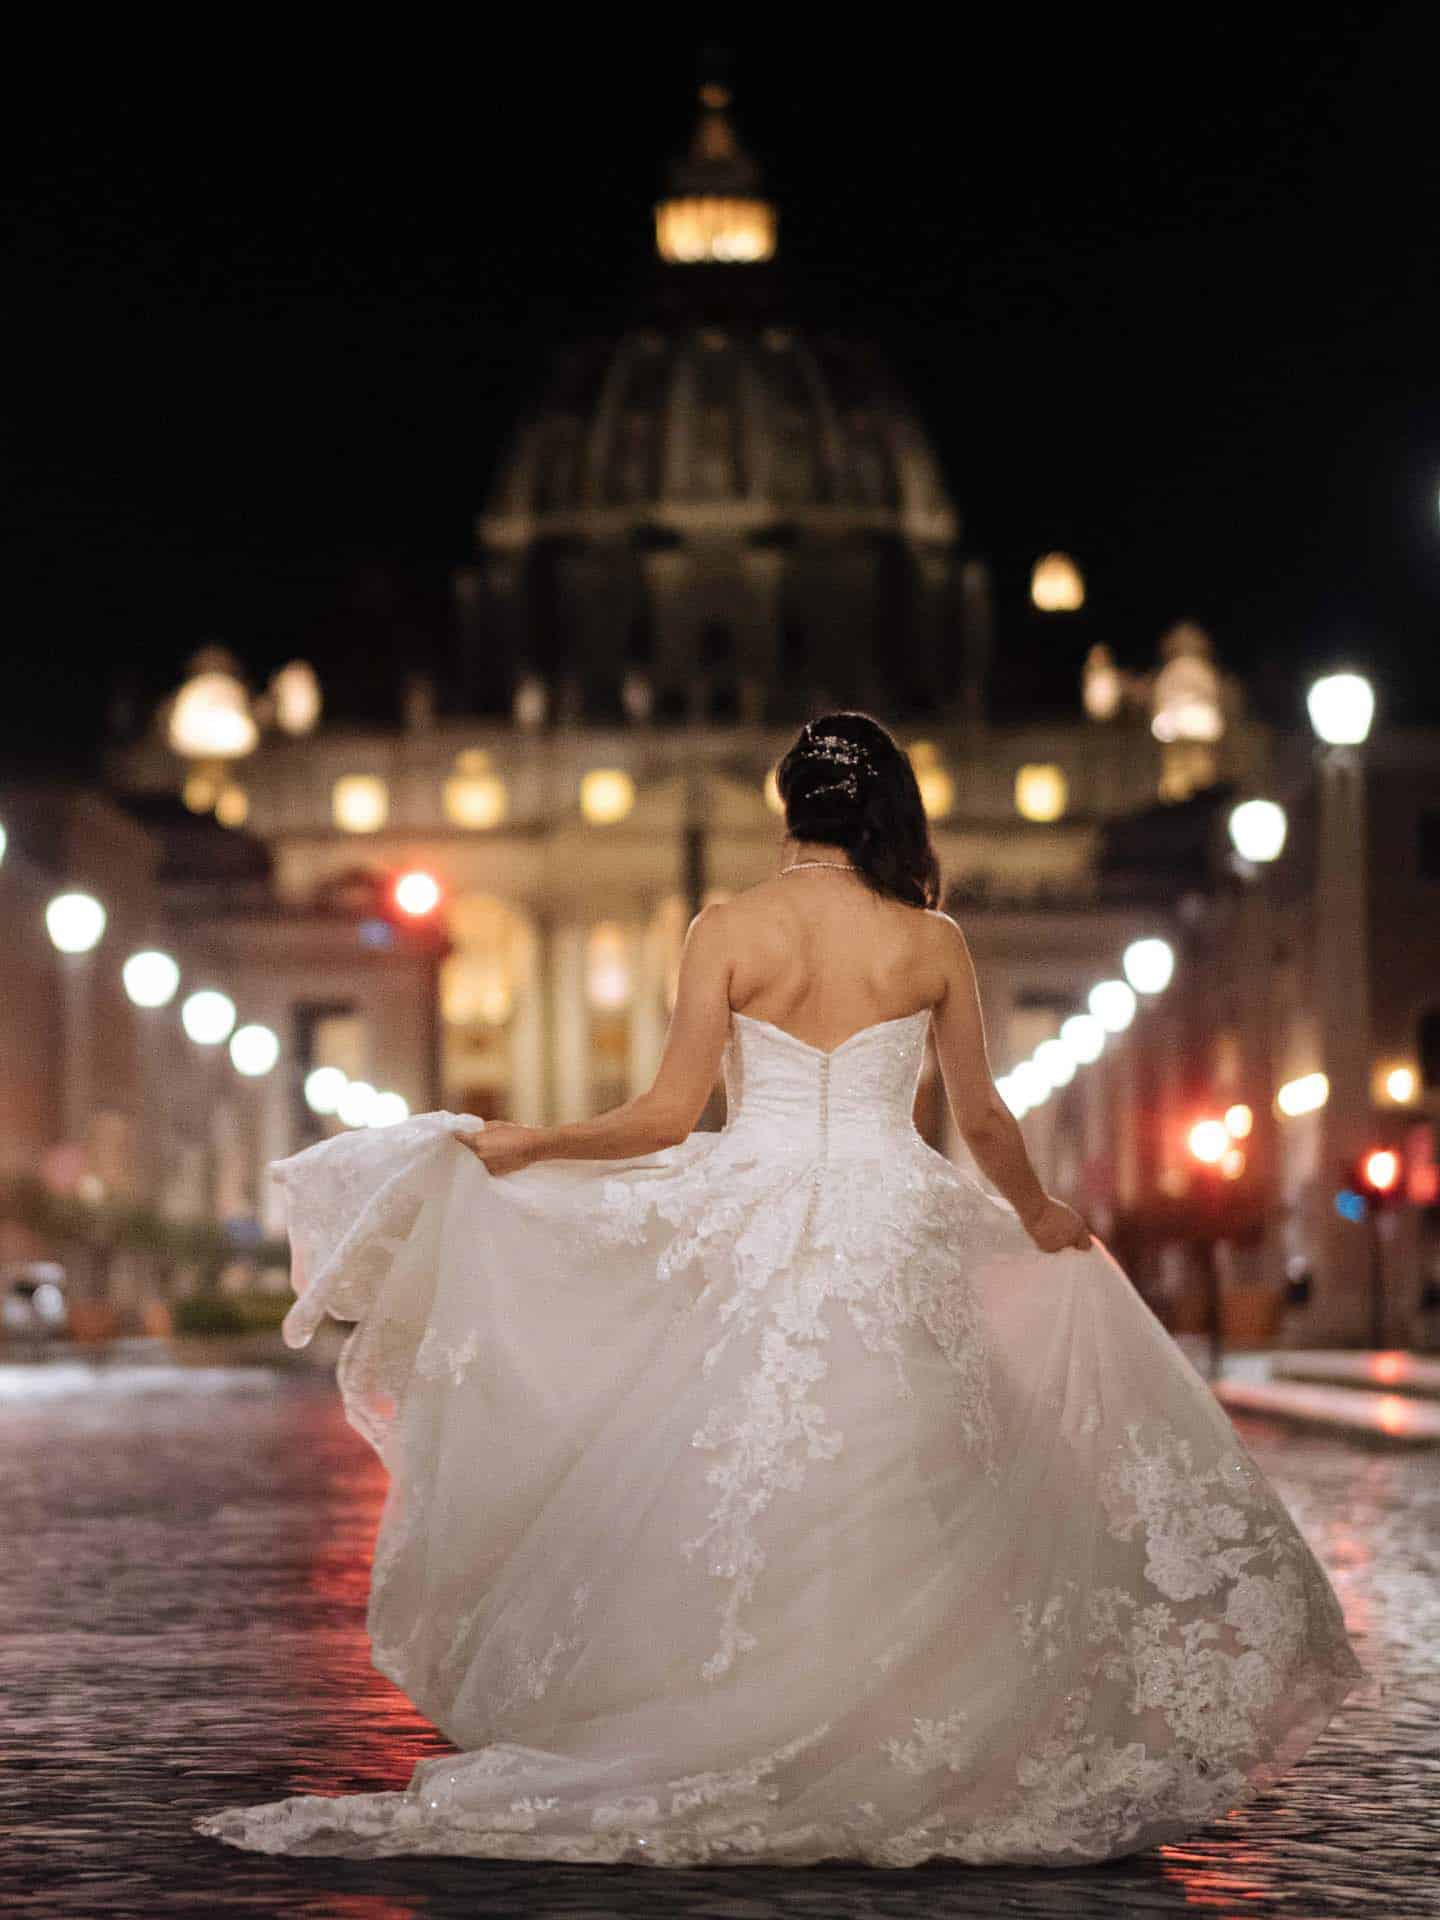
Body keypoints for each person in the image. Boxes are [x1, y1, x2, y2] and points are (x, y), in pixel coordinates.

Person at [195, 711, 1364, 1867]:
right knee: (908, 1472)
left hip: (750, 1219)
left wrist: (532, 1142)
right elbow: (986, 1119)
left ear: (789, 810)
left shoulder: (728, 926)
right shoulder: (931, 938)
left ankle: (734, 1702)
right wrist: (1041, 1215)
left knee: (743, 1472)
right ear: (882, 809)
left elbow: (663, 1115)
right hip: (892, 1222)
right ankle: (908, 1727)